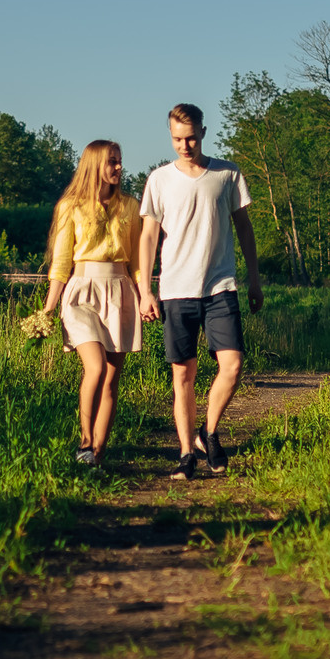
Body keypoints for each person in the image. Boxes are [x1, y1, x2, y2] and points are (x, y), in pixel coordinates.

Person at [137, 103, 261, 479]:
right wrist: (145, 289)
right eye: (177, 139)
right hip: (176, 289)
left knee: (233, 365)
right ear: (170, 136)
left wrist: (254, 279)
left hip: (221, 286)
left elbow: (245, 228)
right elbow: (147, 237)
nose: (184, 145)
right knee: (182, 375)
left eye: (190, 137)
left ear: (203, 133)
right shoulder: (159, 179)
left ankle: (210, 431)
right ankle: (186, 452)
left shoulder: (227, 173)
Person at [41, 139, 143, 465]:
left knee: (112, 378)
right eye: (112, 161)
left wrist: (145, 297)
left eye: (119, 160)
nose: (118, 167)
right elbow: (60, 264)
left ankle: (98, 452)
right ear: (94, 165)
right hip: (81, 293)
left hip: (120, 290)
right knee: (96, 368)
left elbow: (139, 261)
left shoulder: (131, 206)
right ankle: (84, 442)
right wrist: (47, 309)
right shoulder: (69, 206)